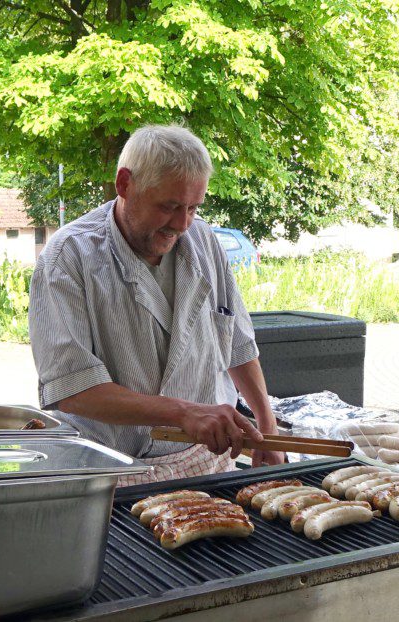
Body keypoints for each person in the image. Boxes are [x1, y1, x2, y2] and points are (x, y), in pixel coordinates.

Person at [28, 125, 283, 482]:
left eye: (194, 207)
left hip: (204, 464)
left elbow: (238, 344)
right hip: (109, 466)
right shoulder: (69, 257)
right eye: (169, 206)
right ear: (124, 184)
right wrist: (183, 413)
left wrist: (266, 428)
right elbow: (72, 390)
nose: (181, 224)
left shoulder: (204, 240)